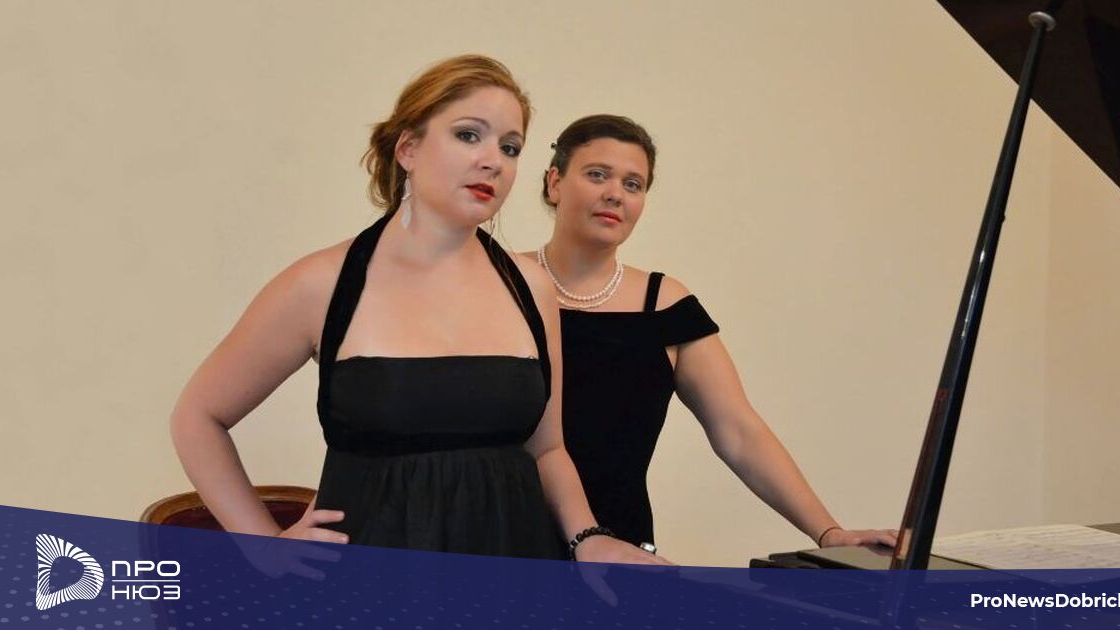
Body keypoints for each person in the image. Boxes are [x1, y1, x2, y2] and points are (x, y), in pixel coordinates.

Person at [170, 58, 668, 564]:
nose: (493, 161)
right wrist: (263, 545)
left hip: (514, 570)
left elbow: (547, 449)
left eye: (510, 147)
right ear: (408, 148)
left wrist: (588, 537)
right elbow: (198, 416)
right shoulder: (321, 284)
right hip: (367, 583)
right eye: (469, 135)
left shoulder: (531, 287)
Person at [531, 114, 897, 553]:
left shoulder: (665, 304)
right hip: (499, 537)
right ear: (555, 182)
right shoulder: (501, 279)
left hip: (619, 549)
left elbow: (738, 431)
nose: (615, 194)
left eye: (633, 184)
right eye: (597, 175)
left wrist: (829, 532)